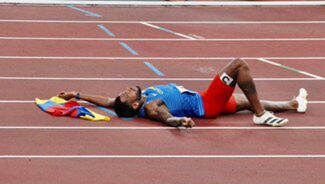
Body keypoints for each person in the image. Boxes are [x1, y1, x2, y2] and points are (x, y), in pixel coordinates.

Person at [58, 58, 308, 128]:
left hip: (205, 100)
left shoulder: (137, 99)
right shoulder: (152, 105)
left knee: (250, 102)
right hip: (206, 104)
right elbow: (164, 117)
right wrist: (178, 121)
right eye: (126, 95)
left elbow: (109, 102)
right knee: (238, 66)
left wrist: (78, 94)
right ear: (135, 106)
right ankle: (261, 116)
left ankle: (292, 104)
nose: (125, 91)